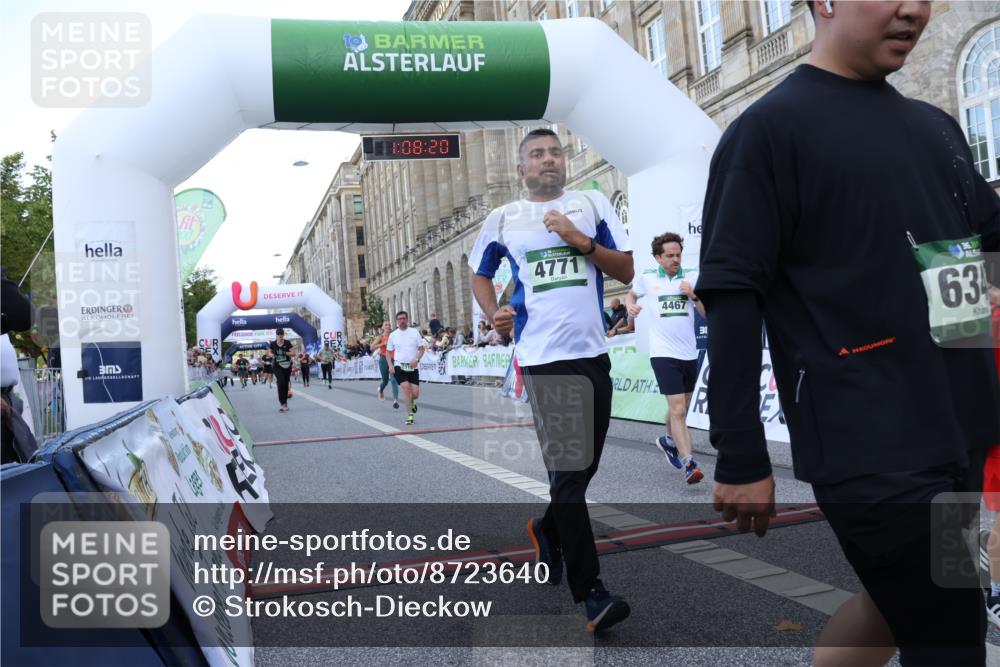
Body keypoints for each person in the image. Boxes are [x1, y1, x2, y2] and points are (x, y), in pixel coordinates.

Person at [698, 2, 999, 664]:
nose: (913, 8)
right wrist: (741, 452)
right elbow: (732, 294)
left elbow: (988, 239)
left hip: (959, 432)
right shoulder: (768, 131)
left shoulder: (935, 126)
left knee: (897, 607)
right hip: (869, 445)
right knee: (949, 632)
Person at [469, 128, 634, 633]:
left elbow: (627, 269)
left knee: (580, 473)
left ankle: (546, 527)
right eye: (536, 154)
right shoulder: (503, 219)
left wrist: (579, 241)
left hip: (593, 355)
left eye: (555, 152)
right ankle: (591, 593)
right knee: (567, 472)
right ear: (521, 169)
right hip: (542, 360)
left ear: (565, 162)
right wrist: (494, 310)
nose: (548, 160)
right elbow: (480, 272)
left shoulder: (591, 203)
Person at [626, 232, 706, 485]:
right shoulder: (648, 279)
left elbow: (706, 312)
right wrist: (630, 306)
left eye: (678, 254)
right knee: (679, 410)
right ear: (658, 258)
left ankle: (669, 441)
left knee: (681, 406)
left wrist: (693, 295)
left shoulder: (691, 275)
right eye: (670, 256)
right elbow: (631, 294)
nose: (675, 259)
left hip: (689, 353)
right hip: (663, 353)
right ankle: (689, 464)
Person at [386, 311, 425, 425]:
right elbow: (388, 352)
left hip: (412, 367)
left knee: (415, 394)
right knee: (406, 389)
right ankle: (410, 415)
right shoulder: (393, 335)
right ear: (397, 321)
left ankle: (412, 402)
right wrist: (390, 365)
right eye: (399, 319)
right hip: (399, 366)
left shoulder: (414, 332)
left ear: (407, 319)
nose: (401, 321)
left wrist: (417, 360)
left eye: (403, 318)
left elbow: (422, 349)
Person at [372, 322, 400, 408]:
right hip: (384, 360)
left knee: (394, 380)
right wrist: (382, 344)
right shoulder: (380, 337)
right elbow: (372, 347)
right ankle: (380, 389)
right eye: (386, 325)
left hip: (393, 360)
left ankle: (395, 400)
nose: (388, 326)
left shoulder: (394, 336)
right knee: (385, 381)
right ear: (383, 327)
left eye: (389, 325)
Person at [269, 328, 295, 412]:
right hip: (277, 366)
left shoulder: (287, 343)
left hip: (287, 366)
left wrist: (285, 352)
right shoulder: (273, 343)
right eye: (278, 334)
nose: (280, 336)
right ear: (276, 335)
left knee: (285, 383)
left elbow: (293, 353)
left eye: (281, 334)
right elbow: (269, 352)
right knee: (281, 382)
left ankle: (285, 402)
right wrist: (272, 355)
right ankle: (282, 403)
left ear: (283, 335)